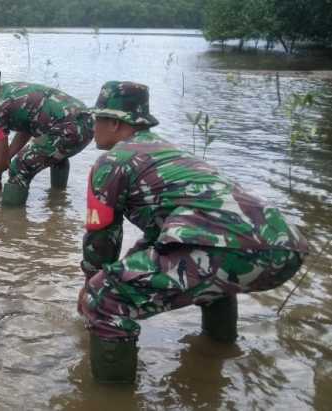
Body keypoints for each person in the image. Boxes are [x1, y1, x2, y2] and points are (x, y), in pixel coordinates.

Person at [78, 81, 309, 384]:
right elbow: (165, 236)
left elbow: (101, 237)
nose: (93, 127)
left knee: (105, 298)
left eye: (97, 120)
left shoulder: (112, 161)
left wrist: (91, 286)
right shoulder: (167, 151)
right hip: (285, 248)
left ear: (115, 122)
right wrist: (130, 263)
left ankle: (110, 400)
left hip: (226, 247)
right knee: (211, 273)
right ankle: (218, 351)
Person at [0, 68, 93, 205]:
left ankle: (9, 220)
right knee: (56, 155)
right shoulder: (15, 89)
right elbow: (26, 130)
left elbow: (0, 152)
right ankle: (58, 203)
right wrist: (8, 155)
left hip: (66, 128)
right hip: (87, 123)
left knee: (20, 165)